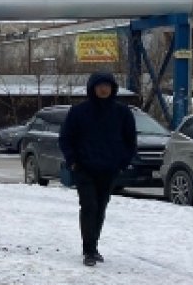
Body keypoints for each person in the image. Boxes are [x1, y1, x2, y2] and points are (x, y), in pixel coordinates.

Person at [58, 71, 137, 266]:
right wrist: (73, 162)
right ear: (93, 88)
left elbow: (131, 141)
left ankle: (94, 245)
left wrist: (122, 162)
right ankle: (89, 250)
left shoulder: (122, 113)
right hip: (84, 169)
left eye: (107, 86)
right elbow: (66, 138)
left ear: (113, 88)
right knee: (89, 206)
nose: (104, 89)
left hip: (109, 170)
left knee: (100, 208)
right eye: (100, 85)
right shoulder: (79, 112)